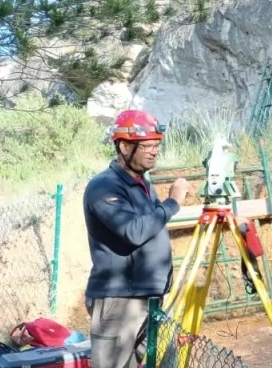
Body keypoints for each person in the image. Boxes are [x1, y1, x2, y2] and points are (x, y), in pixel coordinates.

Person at [84, 109, 189, 368]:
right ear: (123, 146)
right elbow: (133, 231)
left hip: (150, 298)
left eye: (157, 145)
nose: (154, 151)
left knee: (165, 361)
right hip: (120, 300)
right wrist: (172, 203)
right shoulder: (104, 186)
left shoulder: (142, 184)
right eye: (147, 146)